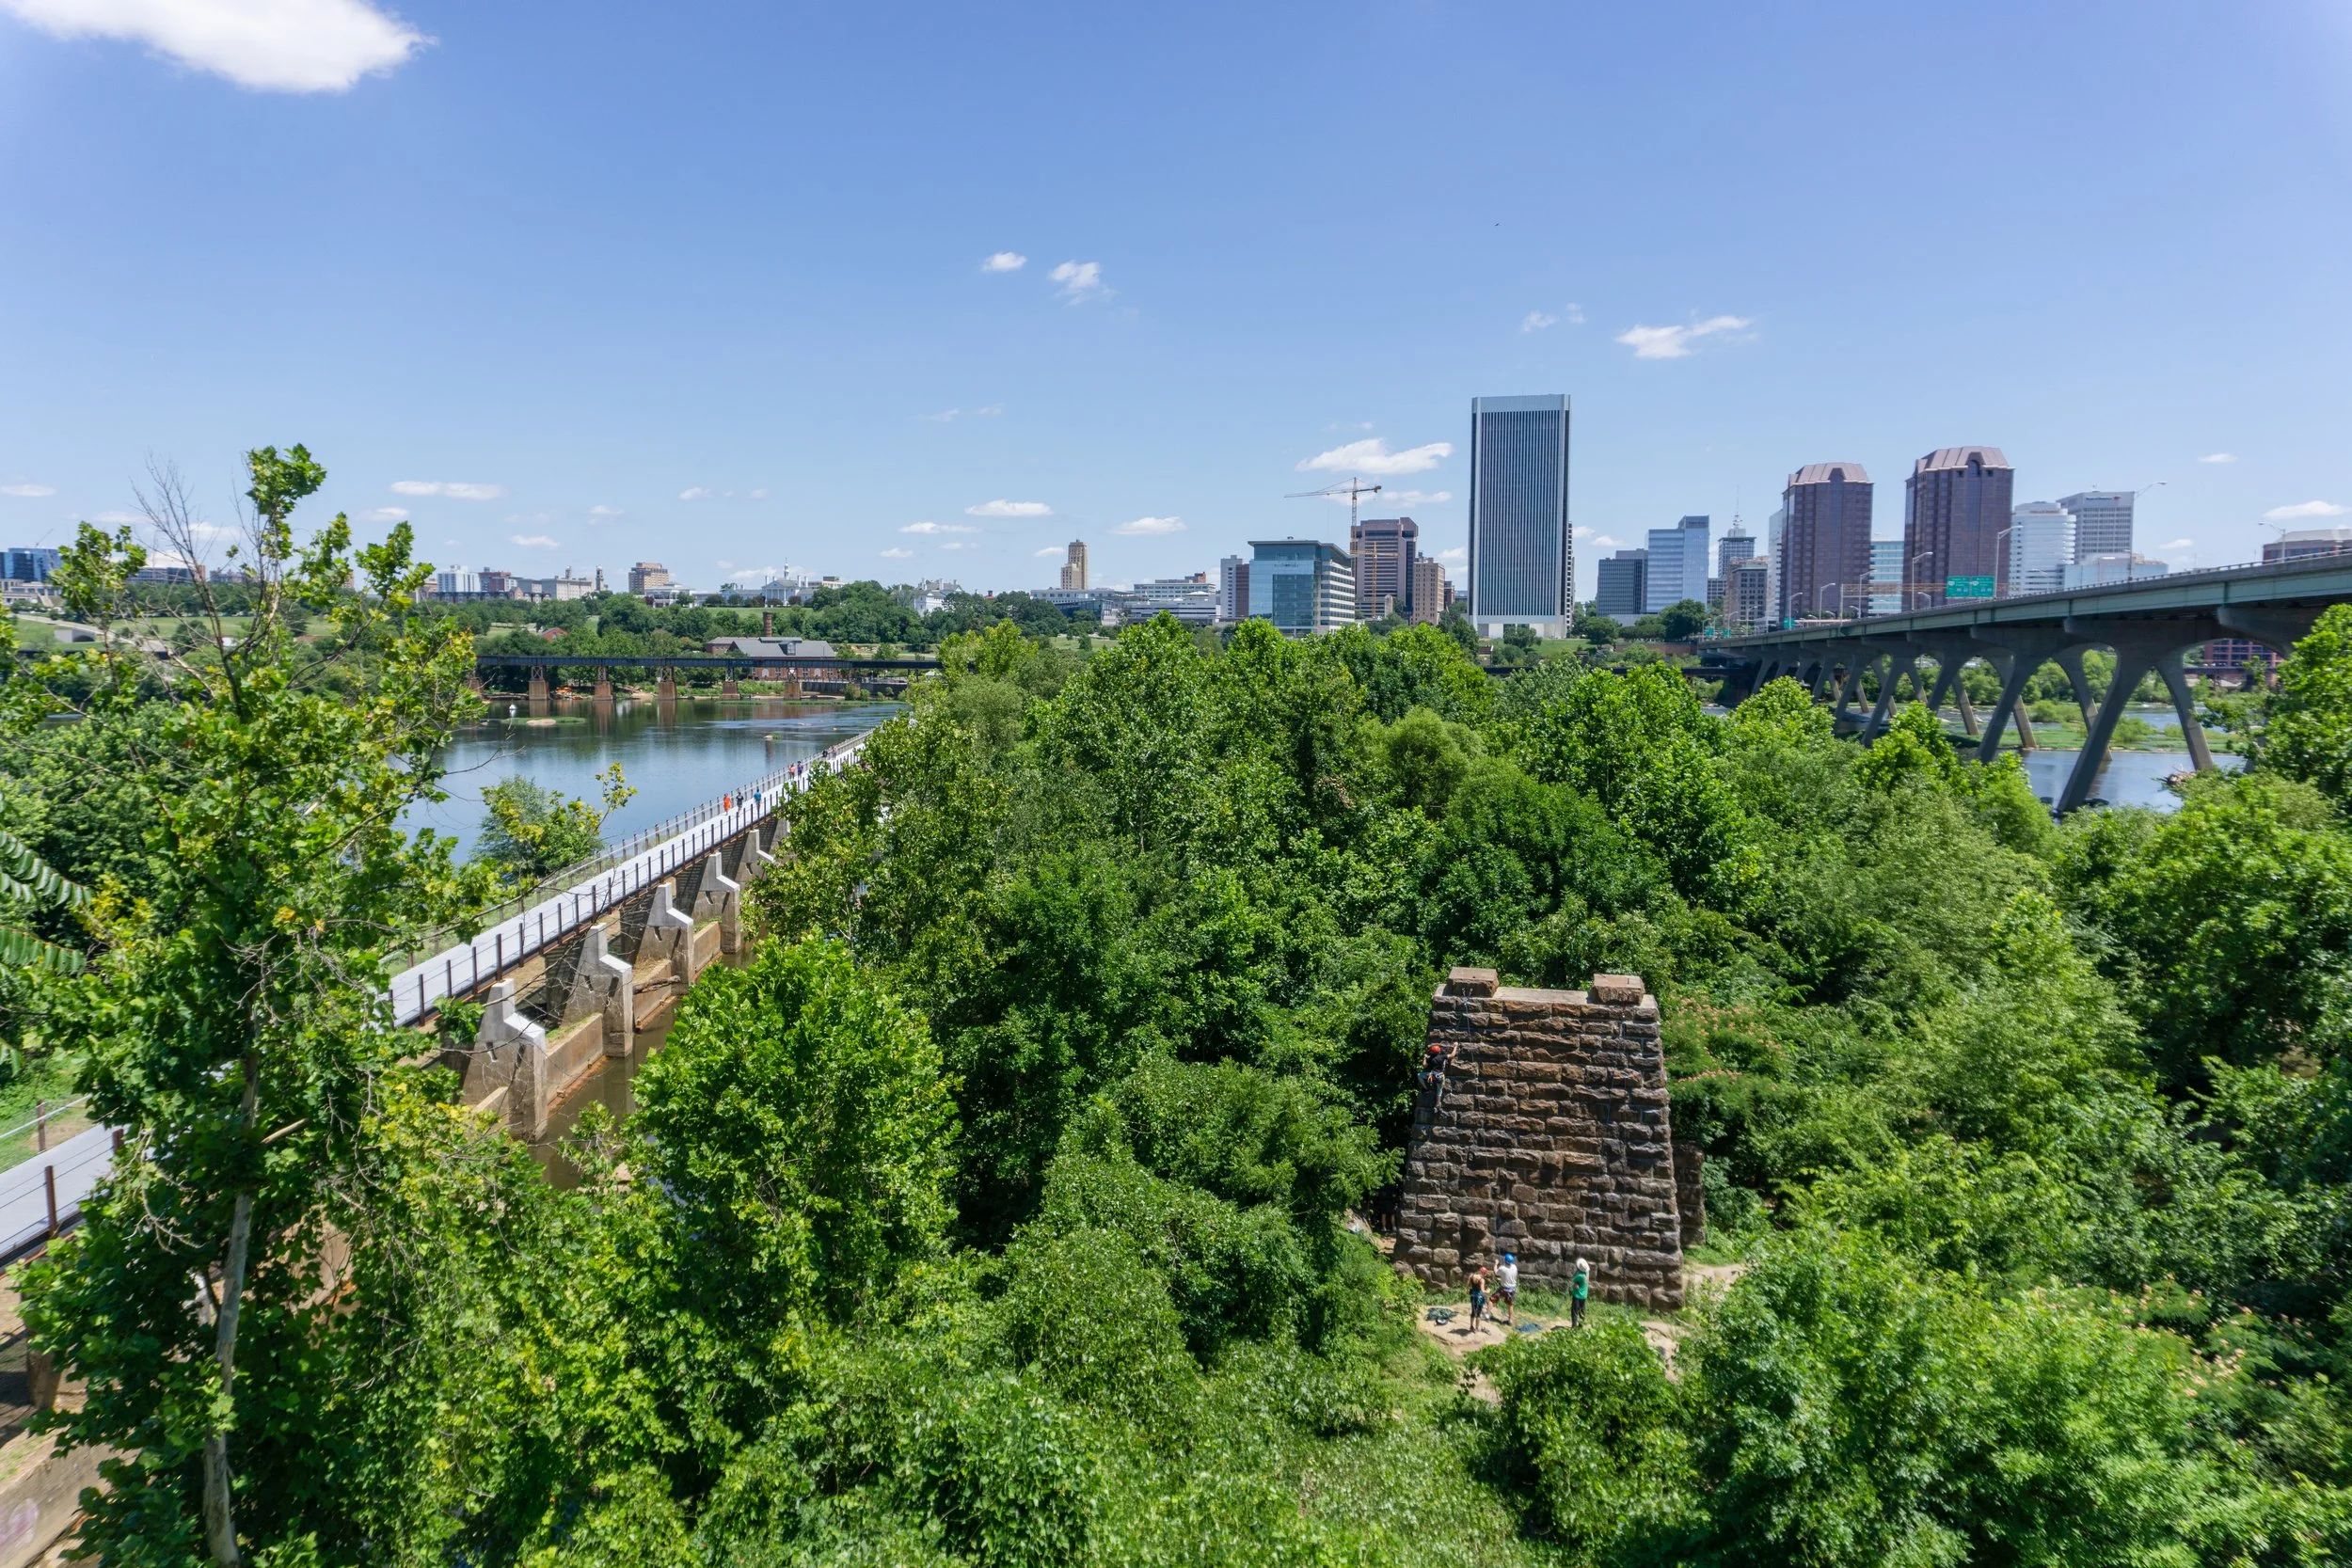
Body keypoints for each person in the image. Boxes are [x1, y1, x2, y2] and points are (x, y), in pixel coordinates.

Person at [1496, 1252, 1518, 1323]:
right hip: (1512, 1289)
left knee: (1491, 1299)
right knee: (1510, 1304)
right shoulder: (1514, 1267)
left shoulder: (1502, 1268)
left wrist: (1496, 1264)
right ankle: (1510, 1320)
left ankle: (1487, 1315)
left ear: (1505, 1260)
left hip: (1504, 1288)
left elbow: (1496, 1273)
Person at [1570, 1257, 1590, 1328]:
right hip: (1584, 1296)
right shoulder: (1587, 1274)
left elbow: (1573, 1279)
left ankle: (1574, 1326)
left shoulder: (1579, 1276)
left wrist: (1576, 1274)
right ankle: (1581, 1325)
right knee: (1582, 1311)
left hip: (1577, 1296)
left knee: (1575, 1311)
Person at [1467, 1264, 1487, 1328]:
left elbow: (1467, 1285)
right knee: (1478, 1313)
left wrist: (1467, 1291)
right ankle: (1477, 1328)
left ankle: (1471, 1326)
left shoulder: (1471, 1276)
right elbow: (1482, 1291)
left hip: (1473, 1296)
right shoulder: (1481, 1280)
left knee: (1473, 1312)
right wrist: (1488, 1291)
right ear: (1484, 1273)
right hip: (1479, 1298)